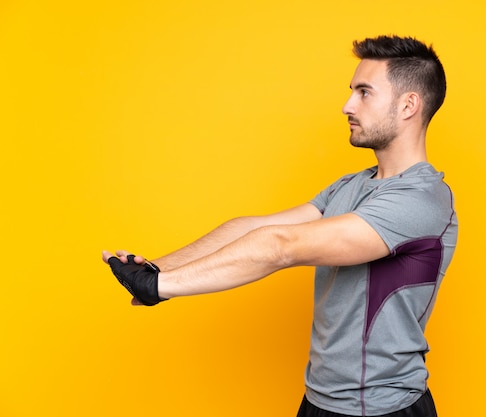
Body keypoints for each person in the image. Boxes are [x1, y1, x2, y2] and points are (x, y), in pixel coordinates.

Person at [102, 35, 457, 417]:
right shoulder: (352, 185)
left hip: (383, 409)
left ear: (408, 105)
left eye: (364, 92)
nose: (346, 105)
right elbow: (251, 227)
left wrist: (159, 288)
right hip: (320, 400)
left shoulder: (422, 199)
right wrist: (159, 268)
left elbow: (280, 246)